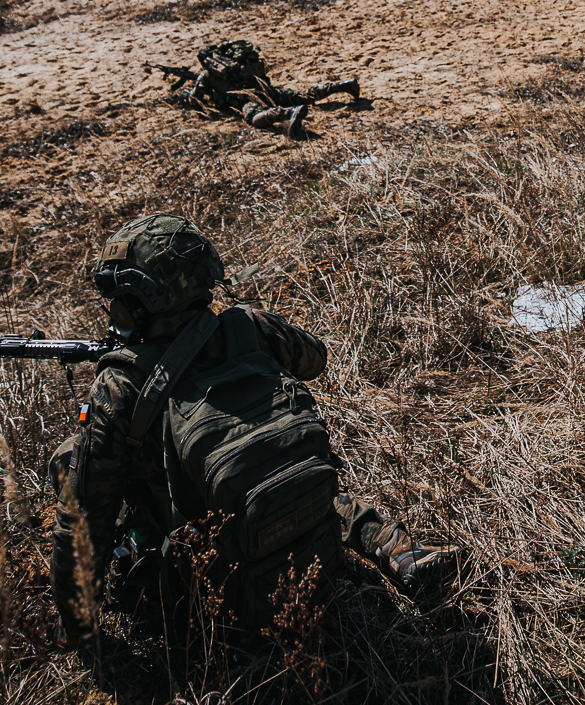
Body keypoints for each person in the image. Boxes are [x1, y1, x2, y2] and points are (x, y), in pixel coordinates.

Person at [48, 215, 459, 647]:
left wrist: (77, 629)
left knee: (67, 456)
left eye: (118, 302)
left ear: (139, 302)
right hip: (311, 557)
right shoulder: (250, 327)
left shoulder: (120, 386)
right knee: (287, 468)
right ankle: (396, 549)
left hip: (220, 600)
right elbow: (315, 359)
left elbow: (84, 521)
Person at [157, 39, 358, 134]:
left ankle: (289, 113)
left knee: (254, 118)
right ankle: (343, 86)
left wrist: (185, 95)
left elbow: (196, 101)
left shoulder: (206, 75)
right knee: (303, 95)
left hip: (245, 98)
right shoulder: (236, 66)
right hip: (264, 88)